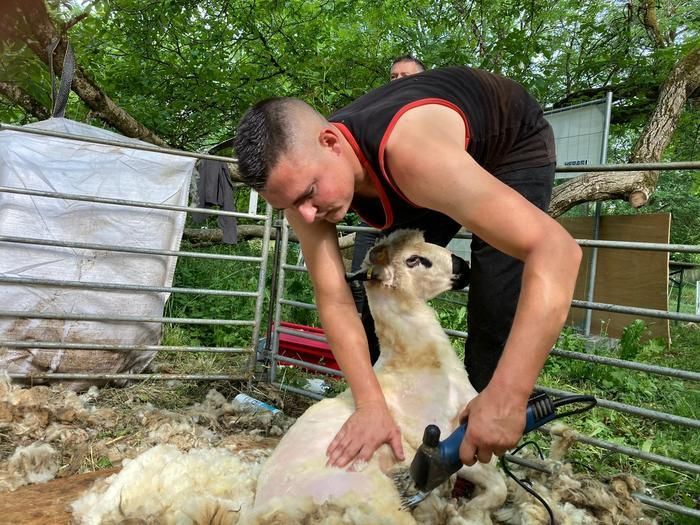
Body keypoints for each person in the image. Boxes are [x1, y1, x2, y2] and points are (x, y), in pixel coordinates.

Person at [233, 66, 582, 471]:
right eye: (291, 205)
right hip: (419, 165)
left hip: (509, 143)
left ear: (330, 141)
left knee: (495, 302)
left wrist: (509, 396)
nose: (307, 216)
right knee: (378, 283)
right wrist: (368, 405)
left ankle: (488, 450)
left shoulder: (413, 157)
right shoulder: (300, 185)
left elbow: (557, 251)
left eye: (309, 195)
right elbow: (333, 297)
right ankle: (394, 424)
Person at [350, 54, 426, 315]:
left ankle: (393, 349)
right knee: (361, 280)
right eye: (394, 77)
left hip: (413, 216)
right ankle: (365, 350)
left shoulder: (432, 116)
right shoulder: (376, 113)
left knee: (401, 287)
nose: (398, 81)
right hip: (375, 214)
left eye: (406, 76)